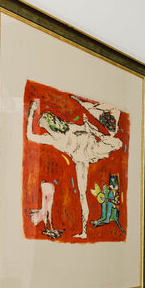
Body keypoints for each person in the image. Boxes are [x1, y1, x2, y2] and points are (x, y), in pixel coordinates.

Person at [25, 96, 124, 239]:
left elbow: (87, 129)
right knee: (82, 194)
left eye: (44, 125)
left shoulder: (69, 127)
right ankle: (84, 232)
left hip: (89, 150)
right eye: (43, 126)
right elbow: (30, 136)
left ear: (52, 124)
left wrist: (91, 128)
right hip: (79, 159)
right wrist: (32, 111)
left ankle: (84, 232)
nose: (44, 128)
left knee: (117, 143)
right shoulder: (50, 138)